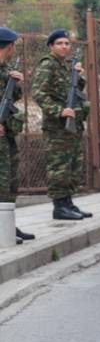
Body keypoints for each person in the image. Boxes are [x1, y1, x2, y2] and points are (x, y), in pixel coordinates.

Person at [34, 30, 89, 221]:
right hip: (56, 127)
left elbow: (74, 92)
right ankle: (59, 207)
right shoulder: (47, 65)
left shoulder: (67, 66)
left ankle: (68, 203)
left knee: (72, 165)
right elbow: (39, 94)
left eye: (67, 43)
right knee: (59, 167)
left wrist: (79, 76)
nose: (64, 46)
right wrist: (59, 110)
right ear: (51, 46)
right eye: (60, 43)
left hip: (72, 126)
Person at [0, 26, 35, 242]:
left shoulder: (4, 71)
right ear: (10, 46)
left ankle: (8, 224)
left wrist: (16, 83)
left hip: (7, 134)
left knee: (10, 179)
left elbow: (11, 101)